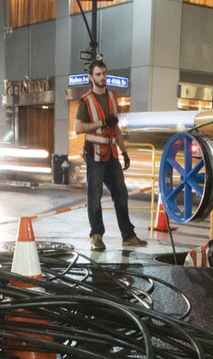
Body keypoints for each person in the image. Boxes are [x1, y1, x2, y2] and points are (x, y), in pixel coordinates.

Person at [74, 60, 147, 252]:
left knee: (121, 193)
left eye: (104, 73)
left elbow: (116, 129)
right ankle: (96, 236)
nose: (102, 77)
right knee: (94, 195)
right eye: (98, 74)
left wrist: (124, 152)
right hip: (95, 154)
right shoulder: (86, 101)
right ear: (91, 77)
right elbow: (78, 128)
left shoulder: (113, 98)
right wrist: (100, 123)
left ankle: (128, 236)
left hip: (112, 153)